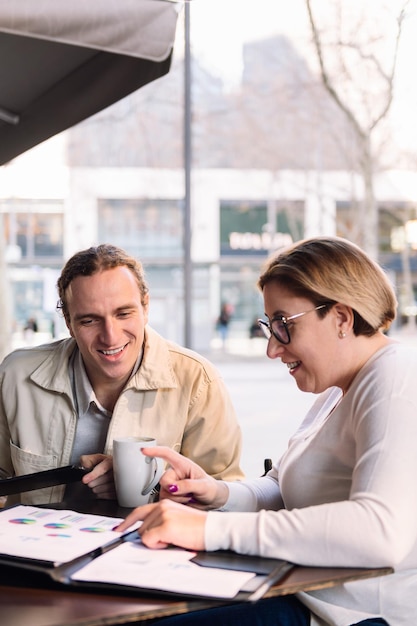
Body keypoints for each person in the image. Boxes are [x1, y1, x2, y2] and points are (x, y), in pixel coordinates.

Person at [116, 236, 417, 626]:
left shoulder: (396, 377)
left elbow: (379, 532)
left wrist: (211, 529)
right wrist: (217, 494)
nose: (272, 349)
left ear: (342, 318)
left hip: (348, 615)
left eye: (283, 325)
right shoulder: (340, 390)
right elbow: (283, 487)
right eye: (269, 326)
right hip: (297, 594)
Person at [0, 244, 244, 506]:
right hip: (36, 545)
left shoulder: (198, 381)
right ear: (68, 323)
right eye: (89, 320)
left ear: (145, 307)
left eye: (124, 313)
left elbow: (226, 498)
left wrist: (146, 487)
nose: (111, 337)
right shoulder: (17, 376)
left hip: (151, 545)